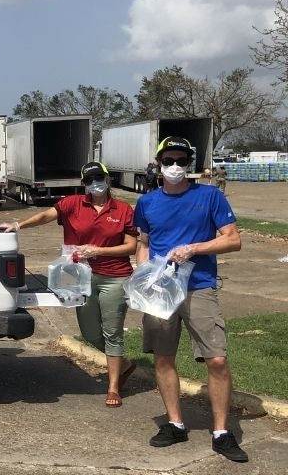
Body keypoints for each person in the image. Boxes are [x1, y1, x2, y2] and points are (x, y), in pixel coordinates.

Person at [134, 137, 246, 462]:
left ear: (189, 163)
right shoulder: (147, 203)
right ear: (158, 163)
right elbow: (143, 242)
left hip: (199, 288)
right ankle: (175, 423)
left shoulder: (209, 196)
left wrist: (194, 248)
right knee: (163, 358)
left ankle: (222, 432)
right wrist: (144, 274)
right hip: (161, 292)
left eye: (181, 160)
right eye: (168, 159)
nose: (174, 166)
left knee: (218, 360)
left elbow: (233, 240)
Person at [0, 162, 137, 407]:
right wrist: (18, 225)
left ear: (107, 179)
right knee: (90, 332)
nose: (95, 184)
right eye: (89, 180)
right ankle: (123, 364)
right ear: (84, 184)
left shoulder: (123, 209)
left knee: (112, 331)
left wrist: (98, 251)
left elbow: (131, 246)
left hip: (114, 276)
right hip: (79, 277)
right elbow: (45, 216)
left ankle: (113, 388)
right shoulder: (73, 204)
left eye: (99, 178)